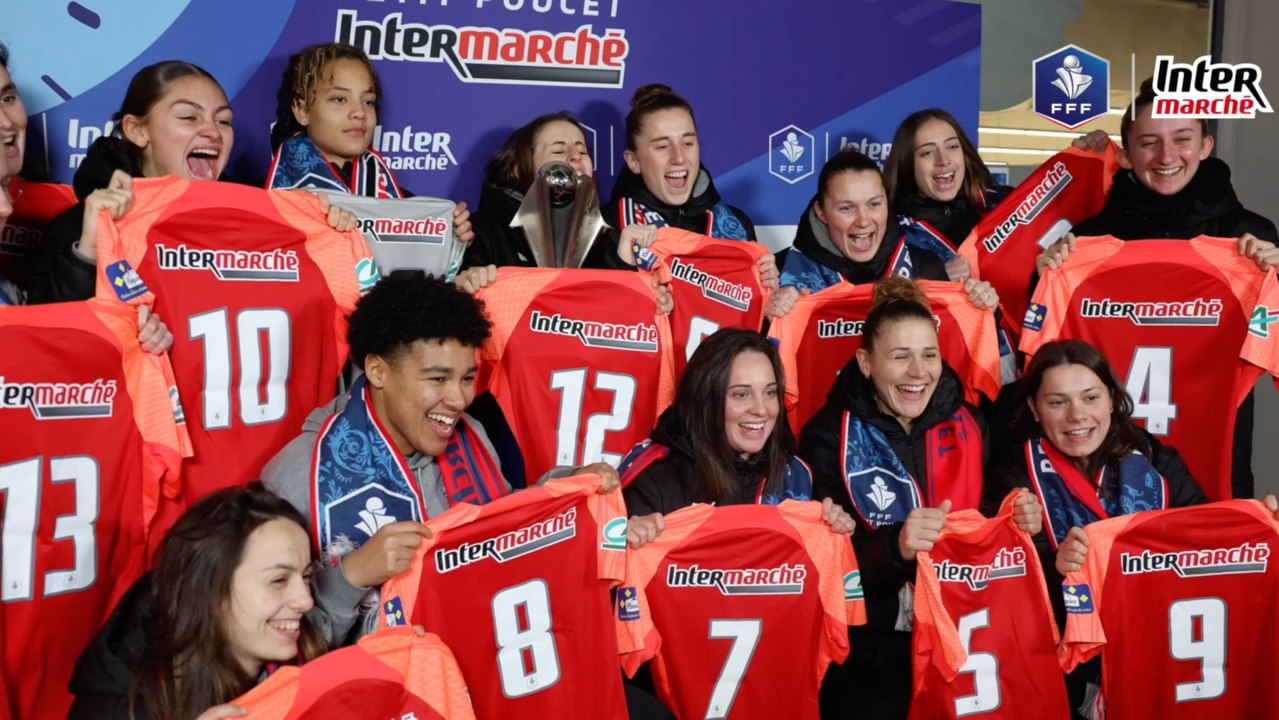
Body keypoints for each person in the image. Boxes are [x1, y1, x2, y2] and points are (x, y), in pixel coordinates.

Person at [260, 271, 616, 647]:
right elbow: (277, 639)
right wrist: (350, 576)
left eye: (466, 378)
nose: (460, 400)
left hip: (485, 658)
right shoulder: (300, 475)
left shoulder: (472, 435)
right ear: (378, 371)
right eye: (438, 379)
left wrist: (569, 485)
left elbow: (502, 526)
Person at [797, 277, 1040, 719]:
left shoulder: (969, 422)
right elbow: (823, 563)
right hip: (873, 653)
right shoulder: (827, 435)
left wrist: (1019, 518)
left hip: (969, 636)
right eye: (900, 356)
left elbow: (991, 514)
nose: (918, 372)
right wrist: (897, 547)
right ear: (865, 362)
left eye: (929, 355)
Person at [1042, 77, 1279, 500]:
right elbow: (1045, 366)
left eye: (1182, 139)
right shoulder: (1085, 245)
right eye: (1149, 142)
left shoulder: (1250, 240)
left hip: (1217, 467)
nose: (1167, 156)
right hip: (1105, 469)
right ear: (1127, 156)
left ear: (1206, 145)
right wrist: (1046, 277)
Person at [984, 339, 1209, 716]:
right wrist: (1056, 569)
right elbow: (998, 601)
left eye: (1090, 398)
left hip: (1159, 657)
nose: (1077, 415)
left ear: (1111, 400)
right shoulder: (1011, 482)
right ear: (1035, 410)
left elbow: (1207, 539)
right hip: (1061, 678)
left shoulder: (1155, 460)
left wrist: (1259, 521)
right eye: (1057, 402)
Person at [27, 60, 354, 304]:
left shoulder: (258, 224)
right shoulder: (78, 230)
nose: (213, 132)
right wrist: (88, 254)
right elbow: (52, 346)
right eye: (188, 117)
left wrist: (325, 242)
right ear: (137, 130)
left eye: (223, 120)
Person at [68, 484, 325, 720]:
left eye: (305, 577)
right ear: (209, 588)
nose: (305, 601)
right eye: (279, 580)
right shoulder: (116, 708)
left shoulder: (314, 664)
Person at [621, 327, 856, 542]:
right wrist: (621, 542)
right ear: (705, 399)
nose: (762, 410)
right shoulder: (654, 478)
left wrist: (835, 528)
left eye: (770, 392)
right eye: (741, 394)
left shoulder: (796, 474)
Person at [267, 42, 471, 244]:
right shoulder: (266, 203)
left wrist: (450, 237)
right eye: (340, 99)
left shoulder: (407, 207)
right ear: (302, 110)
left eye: (368, 101)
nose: (359, 113)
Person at [766, 148, 998, 318]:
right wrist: (767, 318)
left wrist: (981, 307)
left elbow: (951, 353)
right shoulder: (781, 271)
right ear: (822, 212)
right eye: (847, 208)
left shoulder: (925, 267)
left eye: (874, 204)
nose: (864, 221)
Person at [590, 84, 772, 273]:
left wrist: (766, 290)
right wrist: (621, 263)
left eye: (687, 143)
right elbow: (594, 300)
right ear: (633, 161)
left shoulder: (736, 224)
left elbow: (750, 299)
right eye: (662, 146)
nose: (678, 158)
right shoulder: (608, 227)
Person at [463, 110, 651, 270]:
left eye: (583, 151)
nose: (576, 156)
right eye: (559, 151)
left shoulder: (602, 236)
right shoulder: (478, 231)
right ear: (518, 170)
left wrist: (623, 263)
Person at [884, 108, 1012, 281]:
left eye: (952, 147)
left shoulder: (1004, 204)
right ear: (907, 164)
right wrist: (937, 280)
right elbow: (879, 299)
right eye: (927, 152)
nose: (943, 160)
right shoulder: (890, 229)